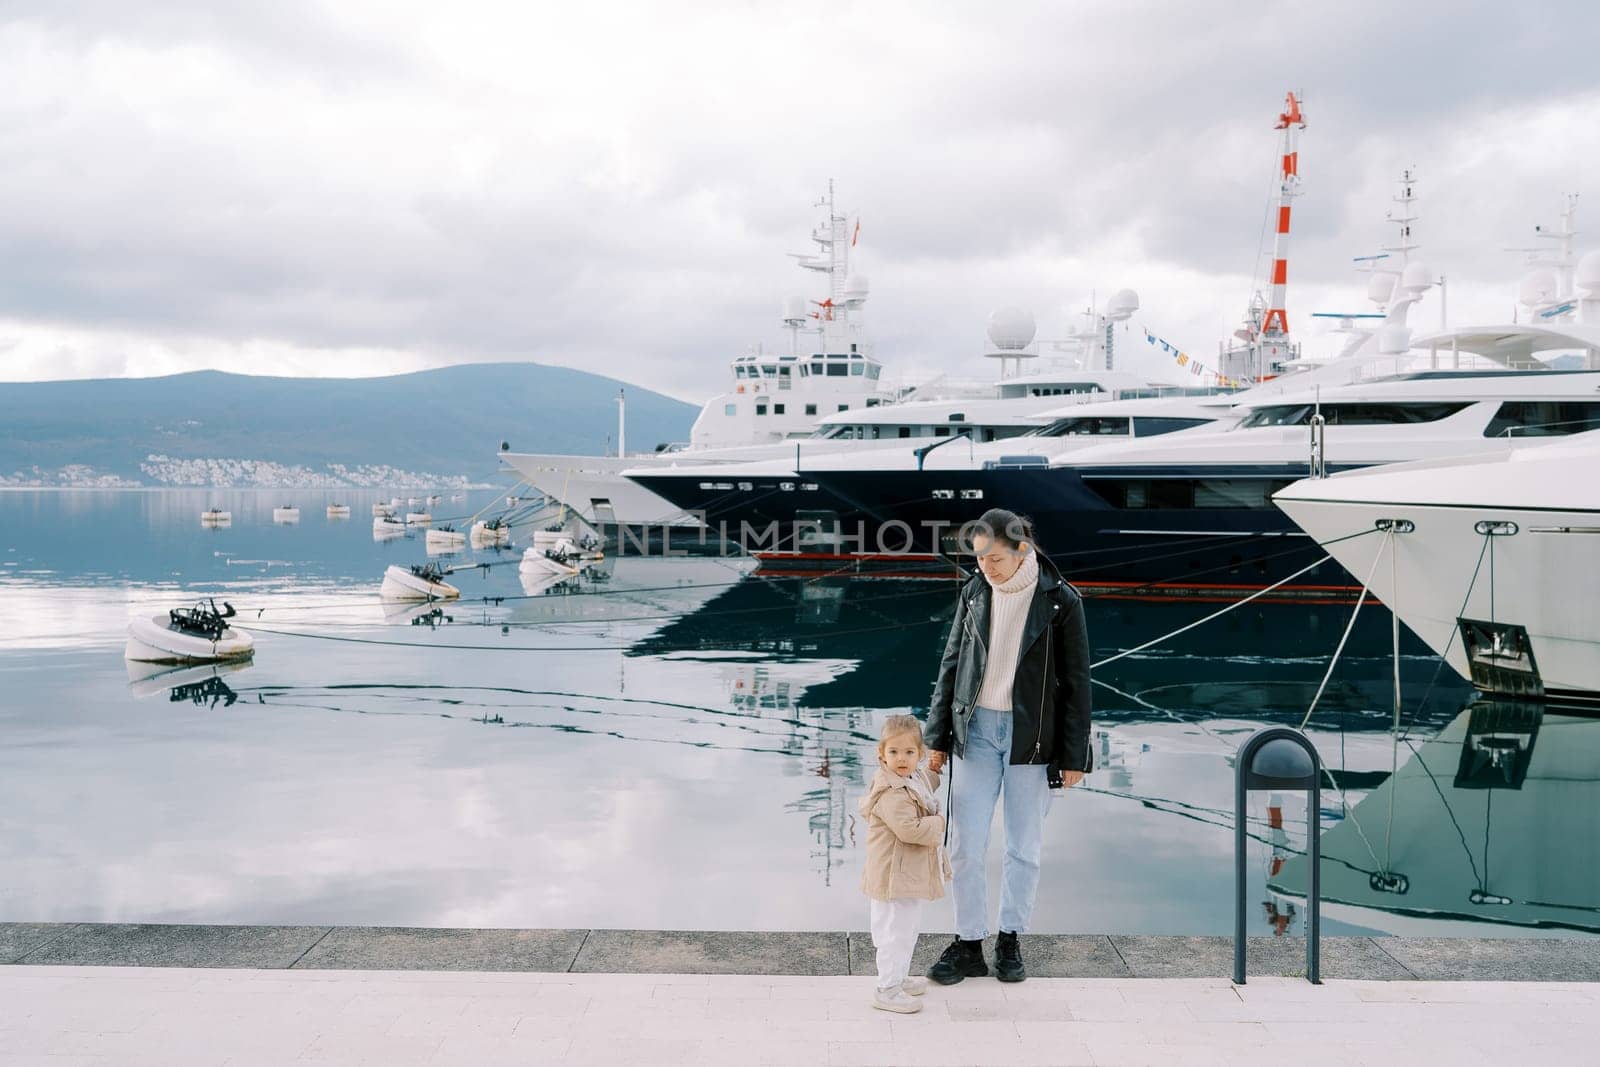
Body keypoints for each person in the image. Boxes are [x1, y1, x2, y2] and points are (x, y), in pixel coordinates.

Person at [923, 507, 1092, 984]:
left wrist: (1074, 755)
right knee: (964, 843)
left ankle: (1011, 937)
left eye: (994, 558)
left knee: (1024, 848)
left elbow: (1078, 684)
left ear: (1022, 549)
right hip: (974, 733)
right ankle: (969, 942)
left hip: (1032, 739)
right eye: (979, 559)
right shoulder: (975, 593)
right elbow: (950, 667)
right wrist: (936, 738)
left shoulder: (1061, 601)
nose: (985, 568)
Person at [858, 713, 950, 1014]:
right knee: (892, 931)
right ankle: (886, 988)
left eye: (909, 752)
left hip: (904, 875)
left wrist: (936, 765)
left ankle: (898, 978)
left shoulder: (913, 777)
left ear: (919, 754)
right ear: (881, 754)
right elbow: (909, 829)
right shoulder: (891, 792)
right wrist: (938, 823)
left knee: (907, 929)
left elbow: (926, 782)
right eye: (894, 752)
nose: (902, 759)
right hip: (891, 877)